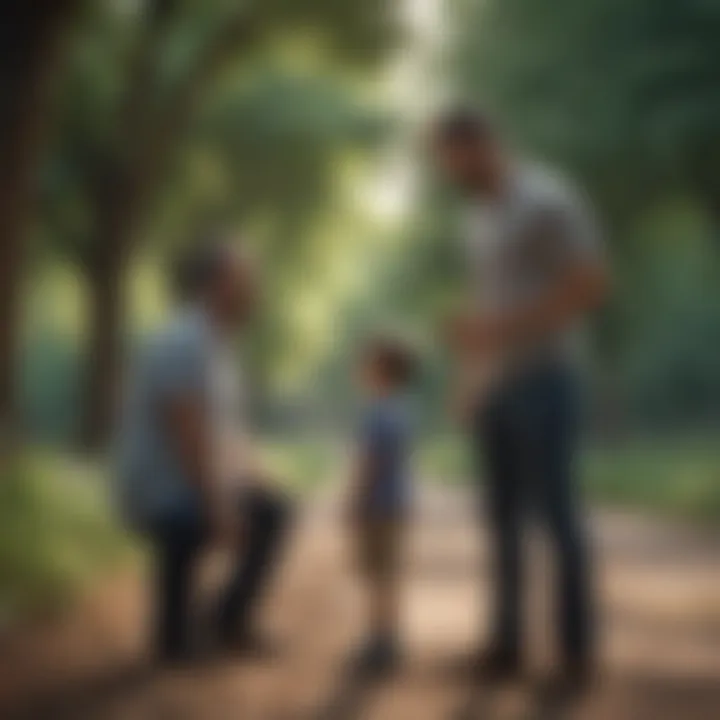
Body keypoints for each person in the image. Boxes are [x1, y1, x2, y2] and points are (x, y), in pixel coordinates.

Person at [431, 107, 608, 695]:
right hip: (499, 390)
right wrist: (470, 381)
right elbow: (486, 309)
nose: (447, 171)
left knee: (556, 518)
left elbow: (589, 284)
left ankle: (577, 655)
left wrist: (500, 330)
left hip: (546, 381)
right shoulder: (478, 218)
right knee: (500, 521)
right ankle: (505, 646)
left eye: (449, 157)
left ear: (479, 144)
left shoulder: (547, 199)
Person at [116, 235, 292, 664]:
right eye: (244, 278)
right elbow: (188, 435)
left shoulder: (217, 344)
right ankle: (175, 634)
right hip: (164, 486)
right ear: (217, 284)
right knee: (212, 517)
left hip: (188, 477)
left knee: (272, 508)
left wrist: (254, 477)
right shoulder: (184, 341)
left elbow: (227, 433)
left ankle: (225, 620)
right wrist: (218, 508)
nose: (254, 286)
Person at [347, 336, 417, 677]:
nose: (360, 371)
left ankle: (380, 640)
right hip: (397, 505)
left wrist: (355, 501)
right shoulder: (400, 410)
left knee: (378, 574)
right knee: (388, 574)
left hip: (378, 507)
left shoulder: (378, 412)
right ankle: (387, 636)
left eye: (367, 364)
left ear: (382, 372)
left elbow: (370, 463)